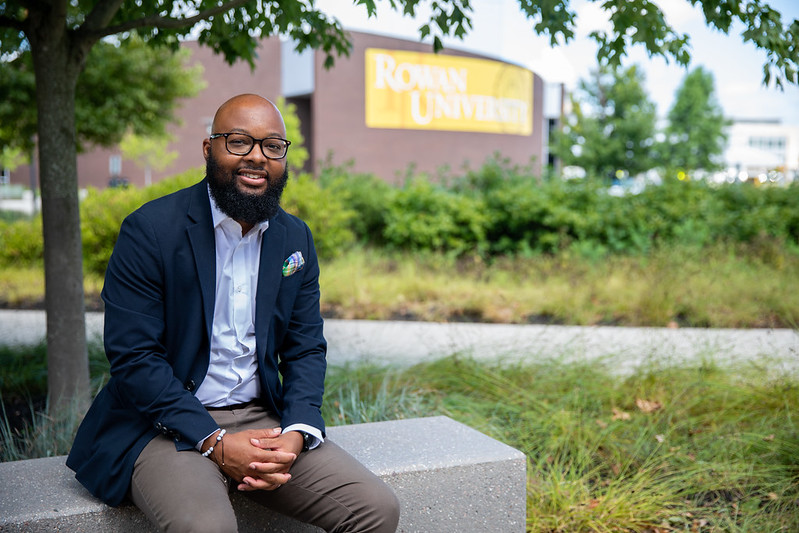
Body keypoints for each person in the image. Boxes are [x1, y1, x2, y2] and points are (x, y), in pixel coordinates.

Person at [67, 94, 400, 533]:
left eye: (272, 146)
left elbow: (305, 348)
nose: (257, 158)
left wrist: (297, 431)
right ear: (209, 150)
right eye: (239, 142)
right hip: (166, 424)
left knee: (375, 509)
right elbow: (134, 359)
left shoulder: (295, 238)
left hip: (263, 419)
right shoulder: (151, 230)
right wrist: (215, 441)